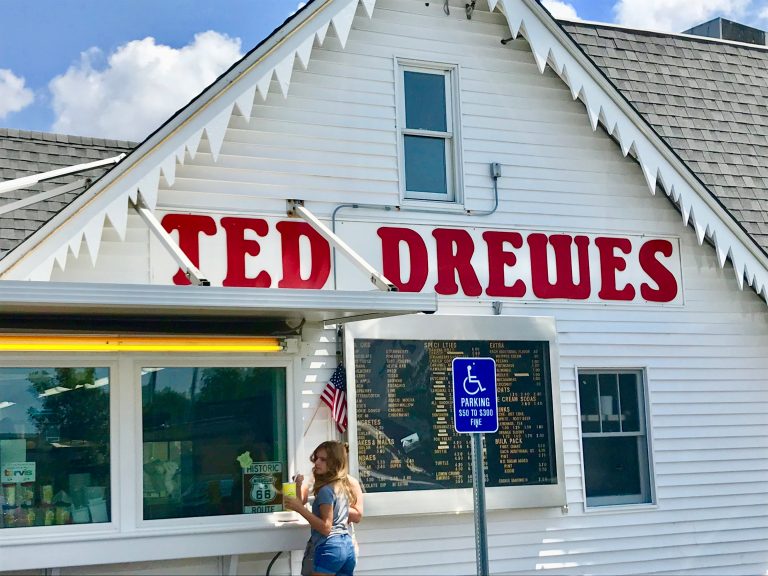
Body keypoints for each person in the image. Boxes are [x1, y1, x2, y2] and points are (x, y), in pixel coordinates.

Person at [284, 441, 357, 576]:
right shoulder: (342, 486)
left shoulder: (325, 490)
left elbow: (326, 527)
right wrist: (298, 486)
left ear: (334, 463)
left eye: (323, 460)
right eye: (316, 458)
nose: (317, 462)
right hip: (347, 545)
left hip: (330, 547)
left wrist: (300, 509)